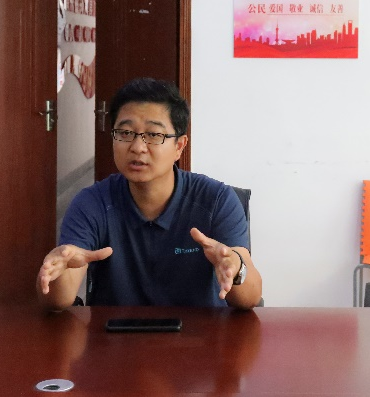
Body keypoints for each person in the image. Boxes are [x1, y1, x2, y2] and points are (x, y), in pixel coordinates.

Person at [37, 77, 262, 311]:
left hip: (200, 332)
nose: (137, 147)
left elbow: (251, 298)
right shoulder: (92, 203)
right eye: (125, 132)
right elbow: (55, 302)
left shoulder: (216, 200)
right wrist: (57, 272)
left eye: (154, 135)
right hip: (113, 332)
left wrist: (237, 269)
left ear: (179, 146)